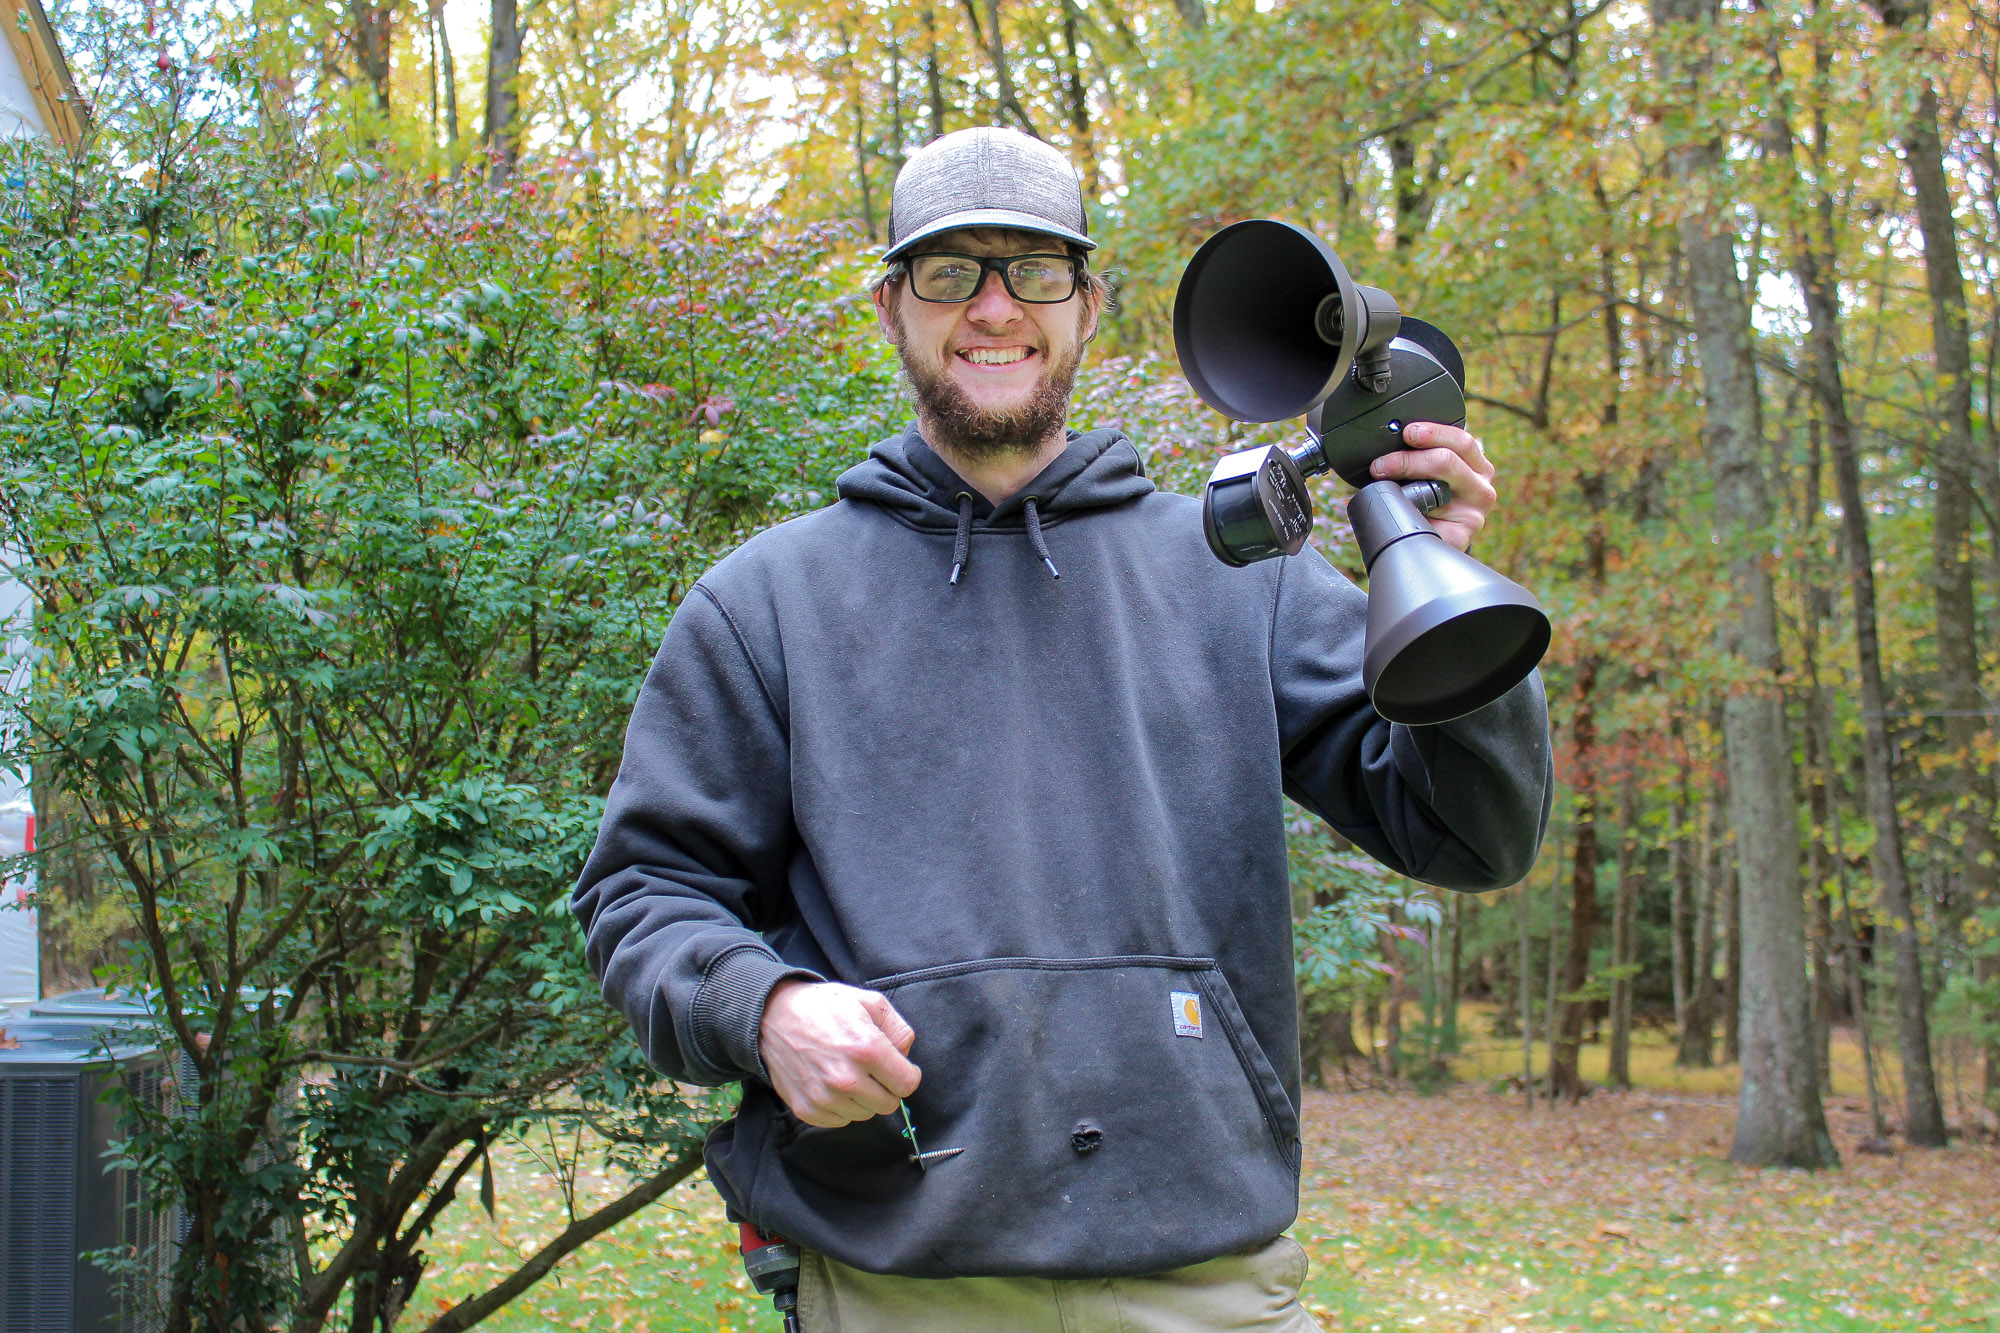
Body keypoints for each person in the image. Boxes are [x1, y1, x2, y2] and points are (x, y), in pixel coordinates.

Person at [572, 126, 1552, 1332]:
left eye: (1033, 270)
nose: (993, 308)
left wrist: (1447, 592)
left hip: (1210, 1287)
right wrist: (764, 1010)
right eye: (949, 273)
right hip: (898, 1285)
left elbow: (1472, 835)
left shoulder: (1236, 575)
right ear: (891, 308)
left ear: (1086, 306)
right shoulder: (767, 604)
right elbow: (641, 896)